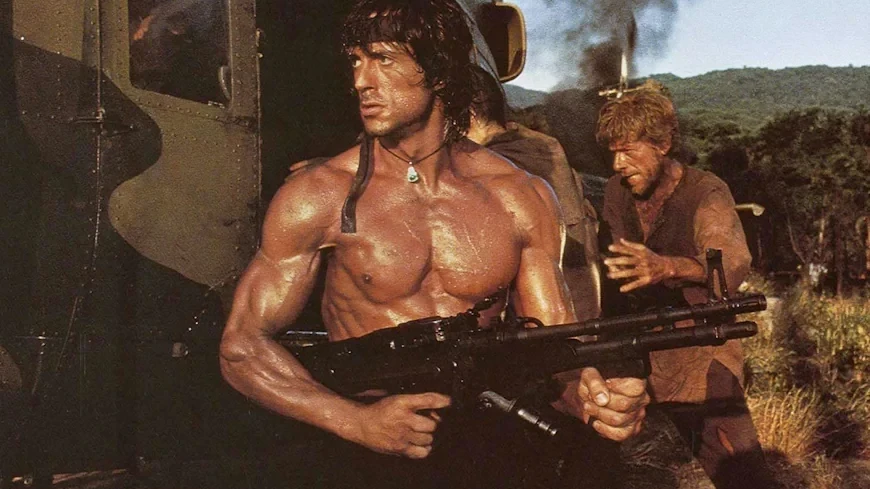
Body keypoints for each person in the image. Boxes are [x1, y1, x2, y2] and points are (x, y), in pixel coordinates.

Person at [219, 1, 648, 488]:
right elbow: (241, 346)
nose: (361, 81)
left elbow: (554, 349)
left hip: (485, 443)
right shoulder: (318, 196)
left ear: (440, 72)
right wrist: (353, 421)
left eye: (383, 59)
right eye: (356, 61)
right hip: (366, 455)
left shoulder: (519, 195)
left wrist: (594, 399)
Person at [595, 86, 774, 489]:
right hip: (628, 343)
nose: (618, 164)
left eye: (628, 151)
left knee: (739, 470)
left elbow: (730, 263)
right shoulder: (614, 190)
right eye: (612, 153)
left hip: (698, 349)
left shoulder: (706, 191)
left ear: (662, 145)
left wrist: (666, 268)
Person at [467, 67, 601, 322]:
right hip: (577, 312)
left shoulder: (500, 165)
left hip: (546, 319)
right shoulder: (541, 149)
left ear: (470, 113)